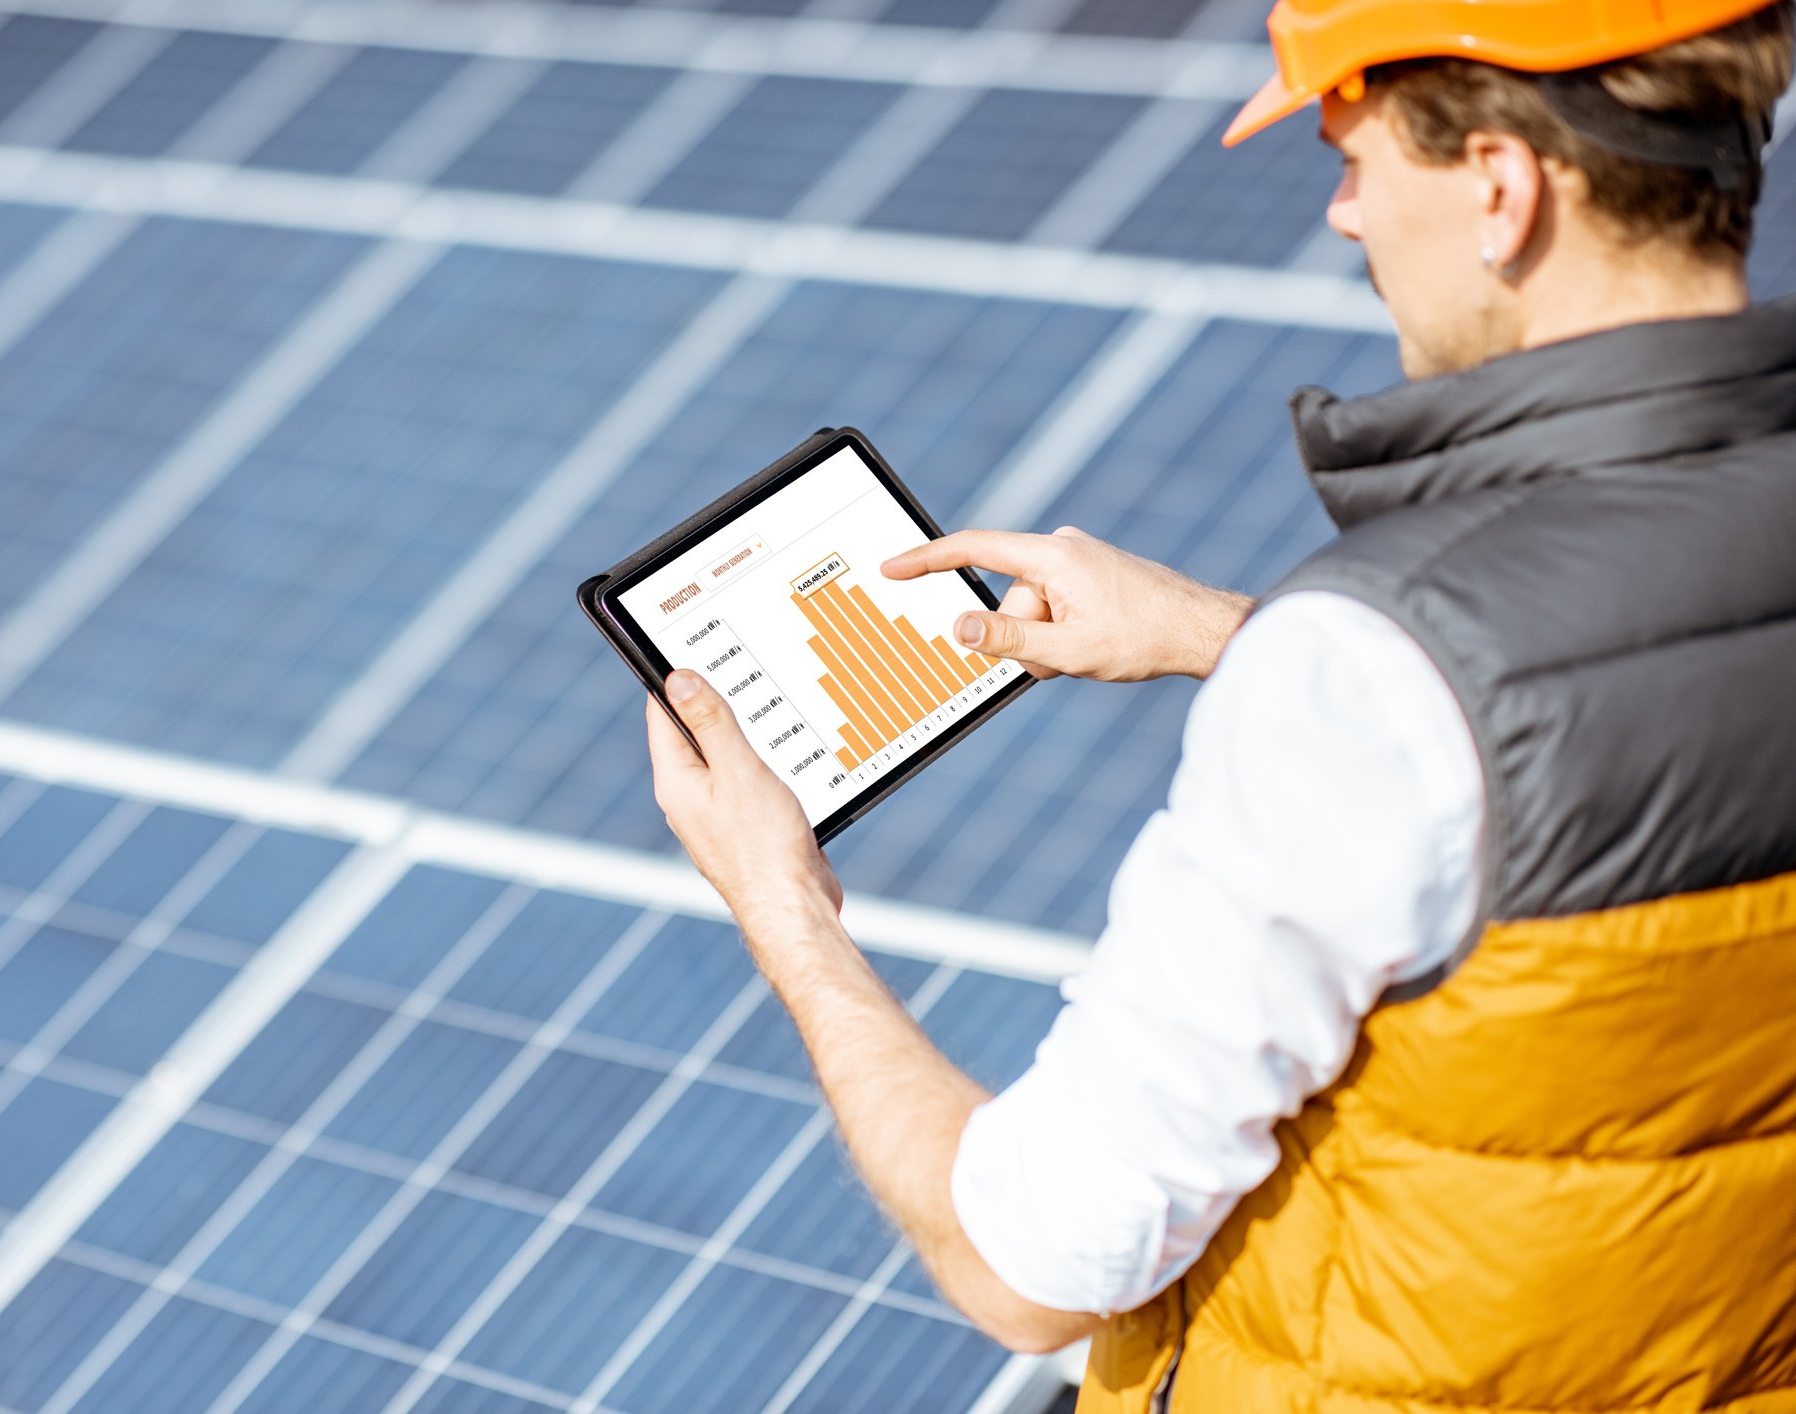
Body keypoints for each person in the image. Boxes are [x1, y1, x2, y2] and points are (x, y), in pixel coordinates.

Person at [643, 0, 1796, 1407]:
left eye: (1357, 159)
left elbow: (1027, 1262)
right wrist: (1214, 633)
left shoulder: (1367, 684)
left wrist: (781, 902)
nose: (1343, 213)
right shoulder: (1388, 682)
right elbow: (1631, 727)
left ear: (1503, 190)